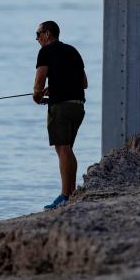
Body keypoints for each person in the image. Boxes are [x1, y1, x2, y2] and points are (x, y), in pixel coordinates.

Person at [33, 21, 87, 210]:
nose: (37, 39)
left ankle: (65, 195)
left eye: (38, 34)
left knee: (63, 150)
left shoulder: (45, 52)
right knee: (68, 149)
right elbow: (84, 83)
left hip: (61, 108)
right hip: (78, 107)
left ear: (47, 34)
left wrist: (37, 95)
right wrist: (55, 88)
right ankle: (70, 194)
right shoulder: (72, 51)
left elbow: (39, 82)